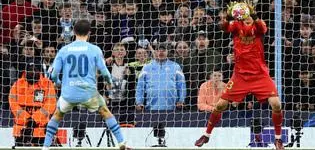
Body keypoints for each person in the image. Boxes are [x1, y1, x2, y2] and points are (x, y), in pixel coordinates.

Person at [194, 1, 284, 150]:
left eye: (249, 18)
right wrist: (229, 16)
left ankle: (278, 139)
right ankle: (206, 135)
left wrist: (254, 15)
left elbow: (263, 27)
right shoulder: (236, 26)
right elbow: (223, 27)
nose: (247, 21)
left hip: (260, 75)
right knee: (220, 105)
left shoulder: (258, 26)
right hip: (240, 76)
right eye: (244, 18)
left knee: (276, 104)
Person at [42, 20, 130, 150]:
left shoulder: (64, 50)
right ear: (89, 33)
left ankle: (45, 146)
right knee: (105, 112)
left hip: (68, 93)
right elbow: (104, 71)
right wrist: (109, 82)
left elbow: (54, 73)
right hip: (89, 93)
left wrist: (58, 83)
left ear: (74, 32)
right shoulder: (95, 49)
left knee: (57, 115)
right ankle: (122, 143)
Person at [9, 59, 56, 146]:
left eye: (35, 69)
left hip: (41, 132)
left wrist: (34, 119)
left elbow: (51, 104)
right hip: (21, 131)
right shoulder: (17, 84)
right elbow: (13, 104)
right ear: (25, 70)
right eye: (30, 69)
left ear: (40, 70)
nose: (33, 72)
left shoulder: (48, 84)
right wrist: (27, 119)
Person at [136, 43, 186, 111]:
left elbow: (182, 85)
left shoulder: (176, 66)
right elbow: (140, 86)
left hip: (172, 109)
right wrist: (139, 102)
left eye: (163, 50)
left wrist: (181, 100)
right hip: (151, 109)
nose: (161, 52)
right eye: (158, 50)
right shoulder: (146, 67)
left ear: (167, 51)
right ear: (154, 52)